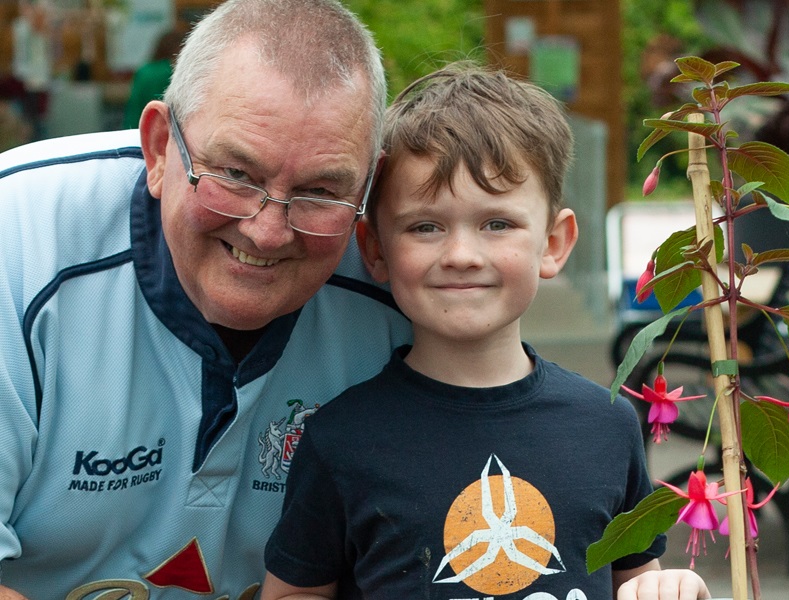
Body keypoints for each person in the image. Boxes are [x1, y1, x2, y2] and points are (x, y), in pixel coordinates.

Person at [0, 1, 411, 598]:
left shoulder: (398, 282)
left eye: (320, 191)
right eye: (237, 175)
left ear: (367, 186)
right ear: (161, 148)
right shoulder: (19, 239)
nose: (268, 231)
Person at [260, 62, 710, 600]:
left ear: (553, 242)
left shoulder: (608, 424)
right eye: (425, 227)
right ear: (375, 247)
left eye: (497, 224)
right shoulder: (340, 440)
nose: (461, 256)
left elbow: (635, 581)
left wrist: (670, 590)